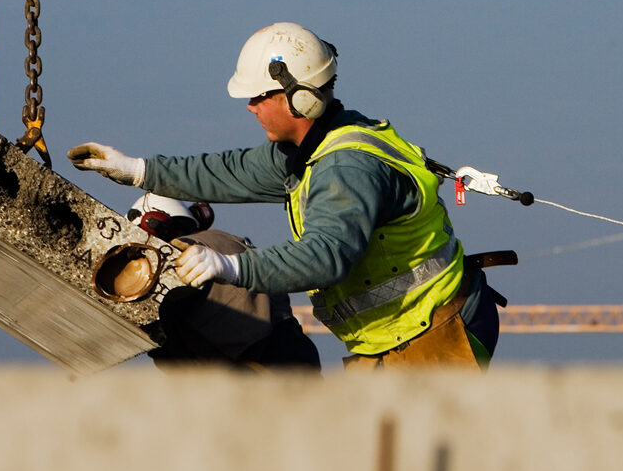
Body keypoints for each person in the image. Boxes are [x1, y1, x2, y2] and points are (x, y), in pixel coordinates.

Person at [69, 22, 501, 369]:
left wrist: (229, 266)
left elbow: (325, 257)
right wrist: (136, 170)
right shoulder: (306, 152)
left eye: (258, 97)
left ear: (299, 98)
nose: (250, 107)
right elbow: (229, 172)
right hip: (396, 336)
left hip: (437, 328)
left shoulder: (345, 169)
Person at [125, 192, 320, 371]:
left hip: (251, 364)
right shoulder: (224, 241)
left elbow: (171, 359)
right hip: (295, 349)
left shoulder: (181, 256)